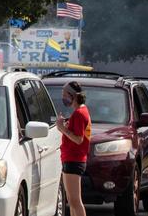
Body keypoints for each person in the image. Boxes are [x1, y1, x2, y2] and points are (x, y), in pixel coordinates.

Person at [56, 81, 90, 216]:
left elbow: (79, 139)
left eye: (65, 94)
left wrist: (62, 128)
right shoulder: (78, 112)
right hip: (70, 159)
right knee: (71, 200)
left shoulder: (79, 113)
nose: (63, 97)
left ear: (72, 95)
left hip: (74, 160)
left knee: (75, 201)